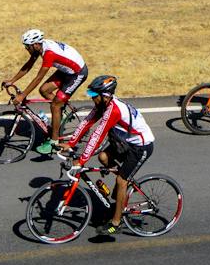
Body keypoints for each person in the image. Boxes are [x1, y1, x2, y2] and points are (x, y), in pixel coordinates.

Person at [60, 74, 156, 235]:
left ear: (104, 96)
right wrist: (71, 142)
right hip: (126, 142)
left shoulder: (114, 110)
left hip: (141, 146)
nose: (92, 99)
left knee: (121, 180)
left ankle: (116, 222)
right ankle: (120, 192)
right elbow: (87, 122)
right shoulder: (103, 105)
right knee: (103, 157)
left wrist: (82, 160)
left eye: (94, 96)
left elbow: (97, 135)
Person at [2, 28, 87, 156]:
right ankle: (61, 114)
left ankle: (54, 142)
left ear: (35, 44)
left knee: (55, 105)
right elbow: (28, 65)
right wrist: (12, 80)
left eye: (27, 46)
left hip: (77, 73)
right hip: (67, 70)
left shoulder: (49, 54)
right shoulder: (39, 47)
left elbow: (38, 77)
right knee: (44, 90)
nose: (26, 49)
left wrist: (22, 95)